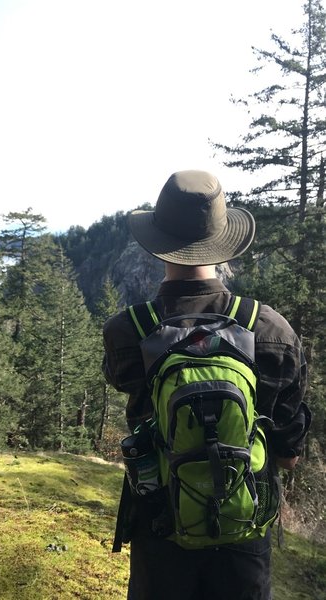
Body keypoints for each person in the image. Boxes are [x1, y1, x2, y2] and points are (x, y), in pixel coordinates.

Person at [102, 170, 311, 600]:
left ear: (158, 243)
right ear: (224, 240)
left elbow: (122, 383)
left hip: (160, 522)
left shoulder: (127, 330)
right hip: (242, 523)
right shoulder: (269, 327)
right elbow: (289, 456)